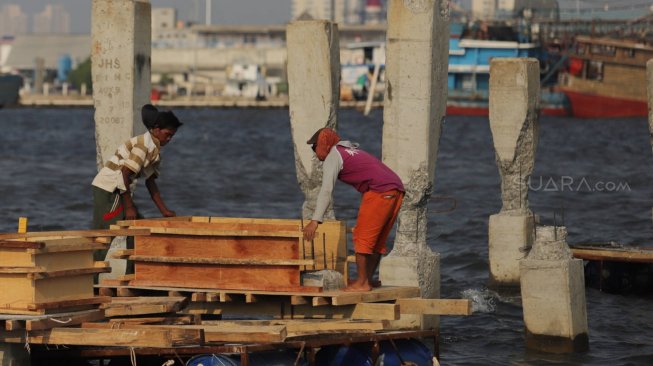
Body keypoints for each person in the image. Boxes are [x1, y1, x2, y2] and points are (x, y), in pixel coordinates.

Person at [302, 128, 404, 292]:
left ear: (323, 144)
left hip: (380, 191)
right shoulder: (347, 150)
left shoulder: (333, 156)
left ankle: (362, 283)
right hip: (395, 189)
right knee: (376, 241)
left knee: (361, 237)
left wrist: (315, 221)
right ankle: (368, 281)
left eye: (314, 147)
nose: (314, 152)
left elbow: (326, 190)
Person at [91, 104, 182, 261]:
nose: (169, 139)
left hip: (118, 188)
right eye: (167, 134)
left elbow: (151, 182)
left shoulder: (155, 150)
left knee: (135, 228)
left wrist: (164, 211)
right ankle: (94, 279)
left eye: (172, 136)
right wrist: (128, 206)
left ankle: (132, 274)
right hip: (108, 188)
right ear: (156, 129)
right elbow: (124, 174)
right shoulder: (142, 147)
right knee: (106, 235)